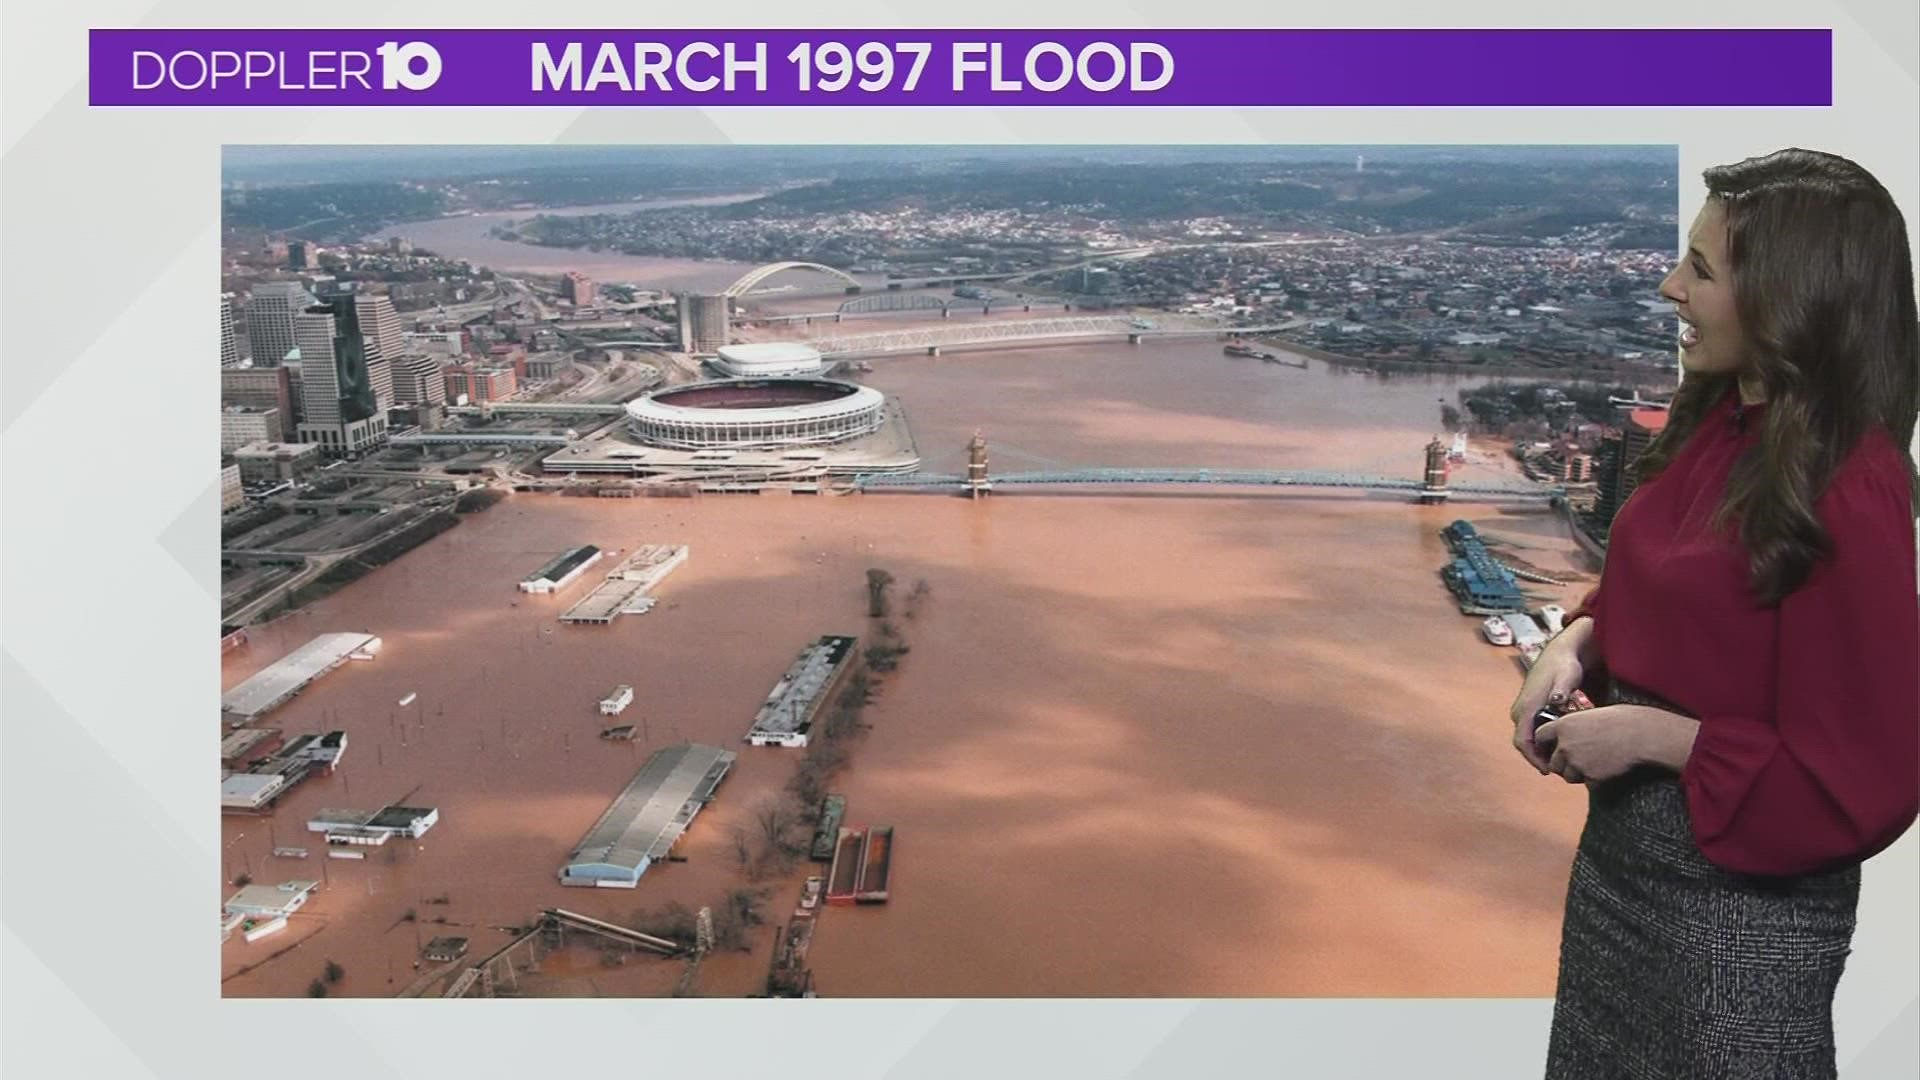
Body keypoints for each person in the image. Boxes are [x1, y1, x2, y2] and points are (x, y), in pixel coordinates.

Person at [1510, 148, 1919, 1078]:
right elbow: (1679, 589)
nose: (1669, 288)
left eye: (1701, 269)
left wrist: (1658, 738)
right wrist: (1578, 640)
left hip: (1740, 914)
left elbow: (1868, 775)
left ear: (1789, 292)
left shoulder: (1852, 487)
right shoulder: (1715, 421)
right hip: (1622, 874)